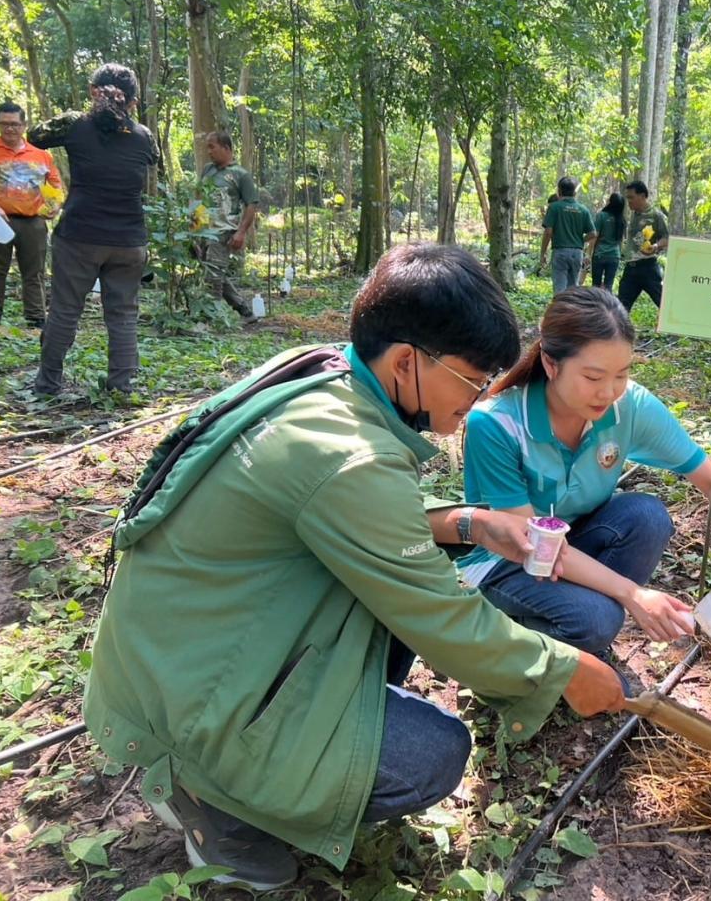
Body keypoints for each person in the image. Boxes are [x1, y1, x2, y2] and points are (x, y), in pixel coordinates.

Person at [83, 244, 626, 890]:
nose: (479, 398)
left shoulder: (322, 377)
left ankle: (265, 752)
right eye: (472, 380)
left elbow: (345, 512)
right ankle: (206, 794)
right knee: (432, 756)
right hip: (191, 696)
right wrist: (565, 668)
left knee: (394, 619)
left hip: (186, 650)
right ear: (406, 362)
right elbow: (445, 619)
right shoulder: (352, 457)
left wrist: (471, 524)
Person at [460, 287, 711, 665]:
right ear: (551, 364)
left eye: (621, 374)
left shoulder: (629, 407)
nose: (608, 392)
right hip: (509, 560)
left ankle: (581, 634)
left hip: (573, 542)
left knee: (647, 517)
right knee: (597, 620)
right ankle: (505, 642)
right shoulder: (497, 423)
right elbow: (531, 544)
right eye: (593, 377)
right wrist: (632, 594)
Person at [28, 63, 158, 395]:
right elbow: (152, 159)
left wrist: (90, 111)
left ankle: (47, 384)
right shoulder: (144, 136)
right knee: (123, 314)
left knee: (65, 311)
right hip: (129, 241)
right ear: (133, 101)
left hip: (80, 236)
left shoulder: (75, 124)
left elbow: (34, 136)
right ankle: (121, 387)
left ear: (92, 91)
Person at [0, 101, 62, 327]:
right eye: (4, 124)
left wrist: (55, 204)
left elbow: (55, 186)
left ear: (24, 125)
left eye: (14, 124)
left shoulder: (41, 155)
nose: (9, 129)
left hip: (33, 220)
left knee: (34, 271)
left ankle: (36, 318)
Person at [198, 130, 259, 324]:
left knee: (213, 276)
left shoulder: (241, 175)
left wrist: (241, 232)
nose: (209, 151)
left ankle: (210, 319)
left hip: (224, 231)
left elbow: (251, 204)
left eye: (212, 147)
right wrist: (193, 228)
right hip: (203, 229)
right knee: (212, 270)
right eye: (207, 147)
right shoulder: (208, 170)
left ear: (226, 148)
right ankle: (244, 310)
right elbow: (200, 199)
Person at [616, 180, 668, 314]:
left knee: (664, 303)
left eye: (631, 197)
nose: (629, 201)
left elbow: (666, 238)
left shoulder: (656, 215)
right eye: (627, 198)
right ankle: (619, 327)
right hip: (630, 268)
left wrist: (656, 246)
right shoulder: (634, 215)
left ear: (643, 196)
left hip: (648, 268)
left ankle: (675, 325)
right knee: (620, 308)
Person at [540, 176, 596, 294]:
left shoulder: (554, 207)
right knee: (573, 289)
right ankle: (572, 306)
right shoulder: (583, 209)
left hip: (560, 251)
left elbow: (548, 232)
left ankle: (560, 306)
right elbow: (593, 233)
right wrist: (580, 240)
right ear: (575, 192)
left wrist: (543, 253)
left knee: (559, 288)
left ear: (559, 191)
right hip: (577, 253)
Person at [587, 192, 625, 292]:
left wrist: (589, 253)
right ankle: (607, 302)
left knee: (596, 285)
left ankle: (595, 302)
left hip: (600, 254)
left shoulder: (601, 216)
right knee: (608, 285)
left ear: (610, 202)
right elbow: (620, 240)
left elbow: (595, 236)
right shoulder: (621, 220)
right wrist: (619, 254)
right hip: (614, 256)